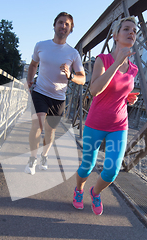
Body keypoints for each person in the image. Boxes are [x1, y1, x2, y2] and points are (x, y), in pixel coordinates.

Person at [73, 17, 139, 215]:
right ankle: (79, 189)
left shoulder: (134, 69)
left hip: (119, 125)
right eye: (126, 29)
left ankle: (95, 192)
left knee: (111, 170)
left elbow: (120, 89)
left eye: (134, 30)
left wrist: (129, 98)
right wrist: (117, 63)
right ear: (115, 35)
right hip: (96, 122)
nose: (131, 32)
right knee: (87, 166)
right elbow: (94, 90)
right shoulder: (103, 60)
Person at [25, 12, 86, 175]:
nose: (63, 26)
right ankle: (32, 160)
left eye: (67, 24)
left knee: (50, 131)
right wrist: (29, 79)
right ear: (54, 25)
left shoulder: (73, 54)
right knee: (37, 125)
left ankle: (44, 156)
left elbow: (83, 79)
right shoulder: (41, 45)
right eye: (60, 22)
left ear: (71, 30)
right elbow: (33, 65)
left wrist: (70, 76)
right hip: (40, 92)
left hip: (58, 98)